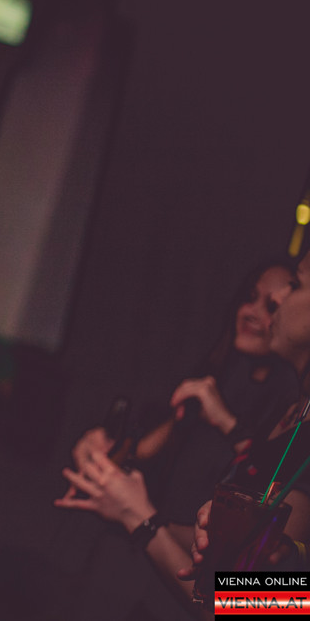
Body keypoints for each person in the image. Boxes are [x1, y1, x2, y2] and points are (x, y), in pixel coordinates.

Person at [59, 254, 310, 615]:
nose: (278, 299)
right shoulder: (289, 414)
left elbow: (254, 604)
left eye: (295, 285)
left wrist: (142, 521)